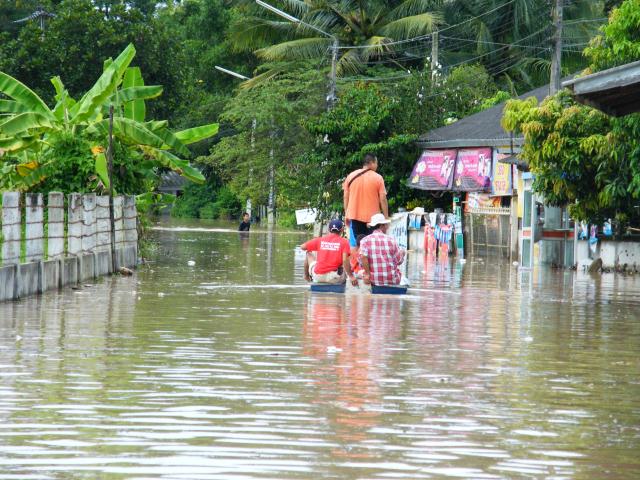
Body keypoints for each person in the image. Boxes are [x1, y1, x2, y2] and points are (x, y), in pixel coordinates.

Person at [343, 153, 389, 249]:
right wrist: (385, 218)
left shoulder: (351, 176)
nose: (377, 165)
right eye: (376, 163)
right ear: (371, 163)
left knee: (359, 244)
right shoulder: (378, 178)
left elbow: (345, 197)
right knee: (372, 245)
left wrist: (346, 213)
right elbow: (383, 199)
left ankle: (359, 263)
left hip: (355, 216)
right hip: (373, 220)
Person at [301, 219, 358, 286]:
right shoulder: (344, 242)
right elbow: (345, 260)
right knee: (347, 257)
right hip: (334, 278)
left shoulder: (320, 240)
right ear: (342, 230)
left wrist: (323, 247)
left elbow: (302, 247)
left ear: (328, 229)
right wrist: (351, 276)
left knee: (308, 253)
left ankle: (306, 277)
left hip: (318, 276)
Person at [359, 213, 406, 286]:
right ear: (381, 225)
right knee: (399, 272)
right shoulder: (392, 240)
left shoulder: (364, 241)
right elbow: (399, 261)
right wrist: (403, 253)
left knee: (360, 273)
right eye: (385, 225)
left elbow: (362, 260)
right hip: (392, 280)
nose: (387, 227)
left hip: (372, 280)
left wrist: (367, 274)